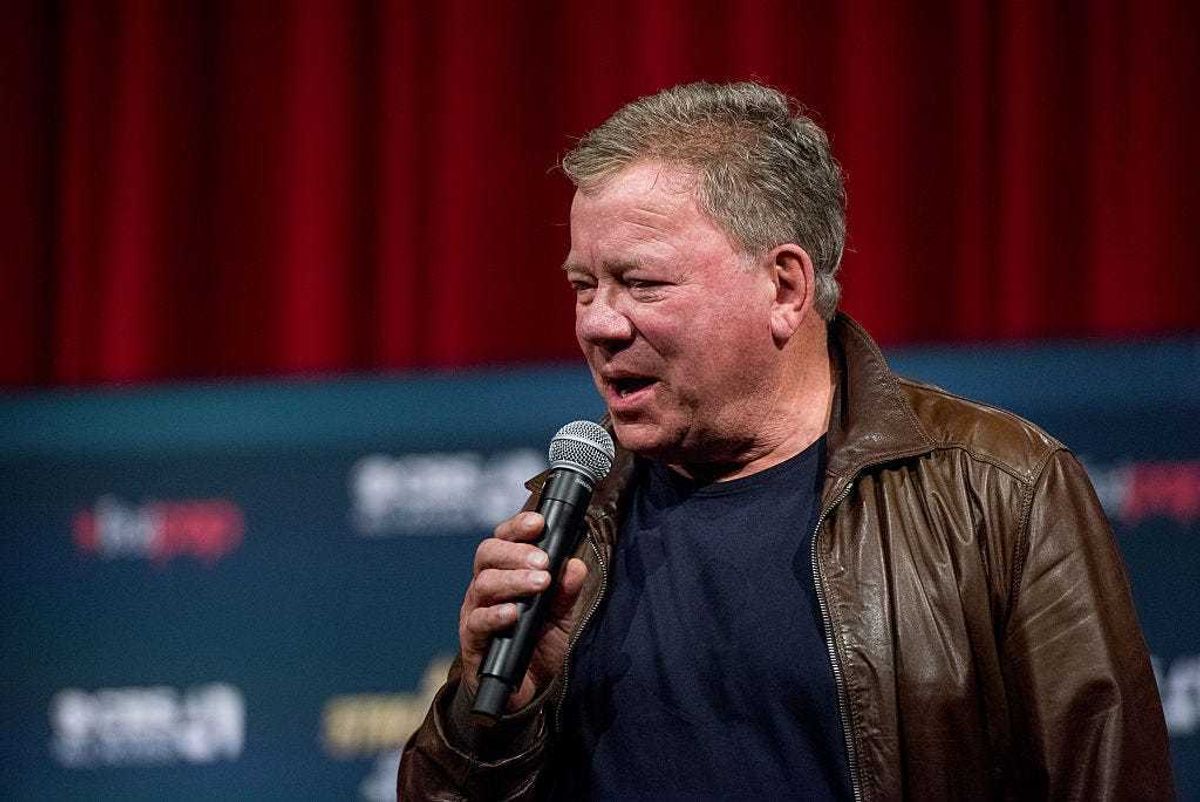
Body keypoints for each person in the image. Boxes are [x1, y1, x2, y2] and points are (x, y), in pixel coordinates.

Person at [398, 81, 1173, 800]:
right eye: (582, 285)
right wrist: (489, 713)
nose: (599, 323)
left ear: (785, 288)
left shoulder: (996, 487)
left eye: (642, 284)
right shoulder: (574, 515)